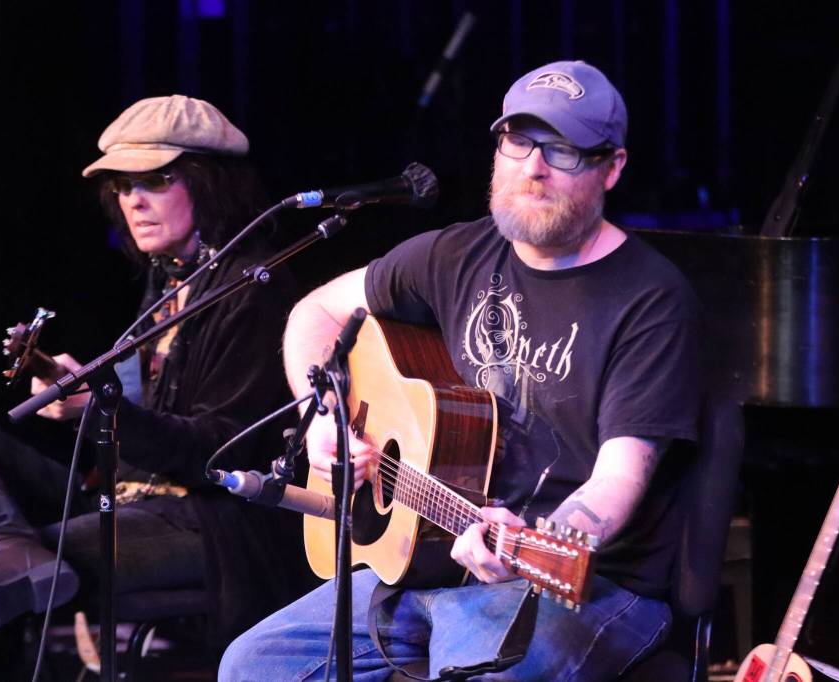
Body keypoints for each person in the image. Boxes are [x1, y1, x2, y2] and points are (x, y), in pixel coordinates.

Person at [220, 60, 702, 681]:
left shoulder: (652, 300)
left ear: (612, 166)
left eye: (565, 151)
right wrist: (328, 415)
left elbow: (618, 480)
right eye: (519, 141)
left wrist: (527, 544)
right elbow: (315, 311)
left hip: (582, 584)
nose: (533, 167)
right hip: (430, 559)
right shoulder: (454, 255)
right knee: (253, 665)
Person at [0, 95, 312, 646]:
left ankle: (8, 550)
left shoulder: (254, 287)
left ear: (210, 183)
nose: (133, 201)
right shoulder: (166, 284)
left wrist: (101, 408)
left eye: (155, 180)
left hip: (211, 520)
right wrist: (87, 408)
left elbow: (221, 453)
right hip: (136, 497)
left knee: (11, 563)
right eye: (121, 186)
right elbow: (143, 433)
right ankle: (4, 543)